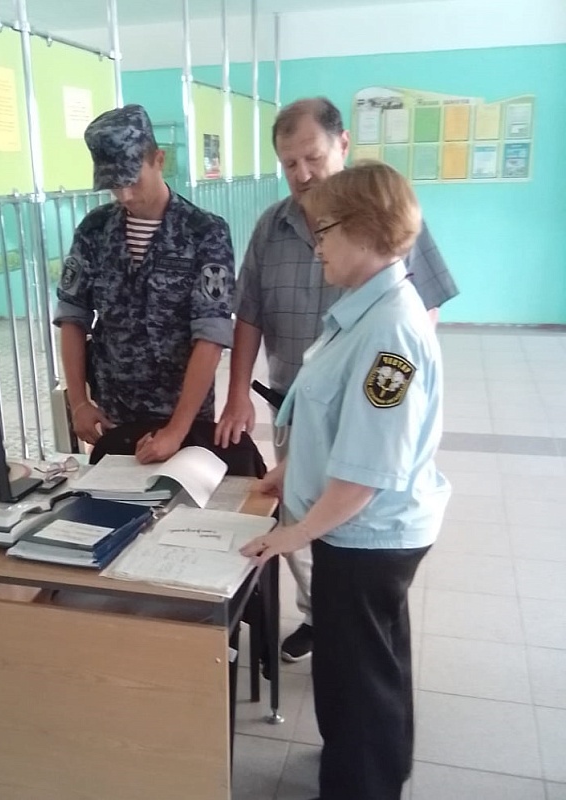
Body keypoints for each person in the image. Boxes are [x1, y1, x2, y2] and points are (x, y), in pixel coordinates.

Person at [215, 97, 459, 662]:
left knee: (338, 552)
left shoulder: (384, 297)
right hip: (302, 406)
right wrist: (239, 397)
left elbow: (367, 464)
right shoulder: (273, 228)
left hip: (358, 431)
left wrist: (293, 534)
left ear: (342, 145)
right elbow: (248, 313)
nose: (302, 173)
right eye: (289, 163)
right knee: (310, 521)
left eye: (312, 157)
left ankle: (339, 621)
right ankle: (324, 616)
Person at [240, 161, 451, 800]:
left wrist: (293, 534)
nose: (318, 245)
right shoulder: (365, 311)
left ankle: (361, 785)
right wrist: (289, 470)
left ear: (366, 230)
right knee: (375, 660)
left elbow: (365, 474)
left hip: (365, 536)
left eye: (326, 230)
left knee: (355, 677)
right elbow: (334, 422)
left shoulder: (390, 333)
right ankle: (382, 765)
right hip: (361, 530)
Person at [53, 104, 235, 465]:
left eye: (132, 180)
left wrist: (177, 430)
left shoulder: (205, 232)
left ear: (158, 160)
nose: (125, 195)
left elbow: (211, 335)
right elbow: (72, 317)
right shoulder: (94, 230)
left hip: (183, 416)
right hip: (114, 414)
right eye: (113, 185)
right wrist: (79, 402)